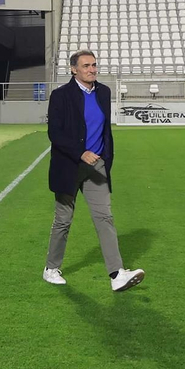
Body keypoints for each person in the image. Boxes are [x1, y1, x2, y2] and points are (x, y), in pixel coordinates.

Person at [43, 50, 145, 292]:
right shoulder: (61, 95)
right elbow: (55, 133)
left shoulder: (104, 92)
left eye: (94, 65)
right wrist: (80, 152)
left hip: (97, 166)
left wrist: (105, 158)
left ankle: (117, 274)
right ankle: (51, 268)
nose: (92, 69)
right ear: (73, 69)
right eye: (86, 66)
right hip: (69, 165)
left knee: (105, 217)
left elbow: (104, 129)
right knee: (63, 220)